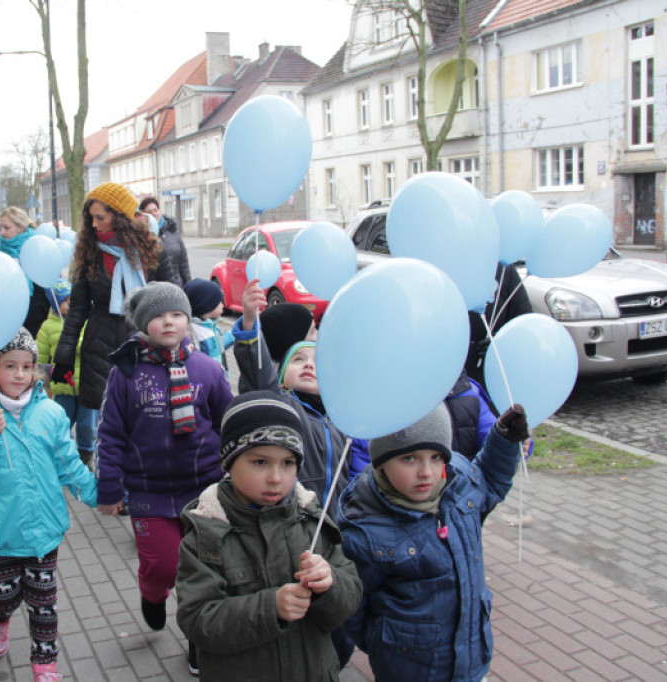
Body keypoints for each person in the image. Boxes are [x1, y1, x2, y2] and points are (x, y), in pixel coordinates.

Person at [0, 329, 96, 682]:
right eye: (10, 366)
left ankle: (45, 664)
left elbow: (68, 465)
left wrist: (99, 496)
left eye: (27, 367)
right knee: (6, 594)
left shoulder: (49, 412)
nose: (20, 375)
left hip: (44, 530)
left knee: (43, 601)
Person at [176, 391, 363, 679]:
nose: (276, 477)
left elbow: (348, 600)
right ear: (229, 462)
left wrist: (330, 584)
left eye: (288, 463)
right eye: (260, 462)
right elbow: (197, 619)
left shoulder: (312, 520)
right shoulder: (208, 531)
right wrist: (270, 607)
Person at [337, 403, 529, 682]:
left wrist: (504, 440)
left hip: (471, 662)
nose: (427, 472)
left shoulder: (458, 482)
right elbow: (352, 603)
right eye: (410, 459)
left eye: (436, 456)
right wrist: (379, 640)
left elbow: (488, 482)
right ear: (381, 461)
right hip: (408, 669)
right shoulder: (365, 529)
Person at [95, 283, 231, 647]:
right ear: (142, 324)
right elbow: (110, 435)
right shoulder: (125, 373)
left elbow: (228, 424)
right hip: (148, 492)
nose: (168, 322)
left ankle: (199, 642)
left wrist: (235, 475)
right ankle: (152, 592)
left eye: (176, 314)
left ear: (187, 319)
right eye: (157, 316)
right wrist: (109, 489)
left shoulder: (208, 368)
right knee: (164, 566)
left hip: (205, 490)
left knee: (204, 571)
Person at [232, 280, 369, 519]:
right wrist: (250, 323)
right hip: (293, 523)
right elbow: (258, 374)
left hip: (335, 524)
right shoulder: (284, 407)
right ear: (282, 378)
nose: (308, 364)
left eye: (318, 361)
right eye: (298, 359)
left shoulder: (342, 417)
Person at [50, 182, 176, 413]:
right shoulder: (88, 252)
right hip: (101, 347)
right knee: (109, 423)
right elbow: (78, 308)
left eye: (100, 217)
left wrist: (178, 341)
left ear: (120, 217)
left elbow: (174, 297)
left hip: (149, 342)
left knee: (149, 415)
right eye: (91, 218)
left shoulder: (153, 249)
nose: (94, 224)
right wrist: (64, 354)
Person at [36, 279, 97, 467]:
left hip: (87, 385)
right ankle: (62, 455)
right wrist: (40, 380)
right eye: (65, 300)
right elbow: (41, 357)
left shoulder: (88, 321)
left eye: (73, 299)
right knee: (62, 423)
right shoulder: (47, 327)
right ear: (55, 304)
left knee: (87, 426)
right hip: (63, 386)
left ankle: (85, 456)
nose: (71, 304)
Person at [466, 262, 532, 388]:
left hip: (489, 371)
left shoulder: (502, 270)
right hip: (446, 374)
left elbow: (523, 321)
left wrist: (501, 341)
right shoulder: (438, 266)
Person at [0, 206, 51, 337]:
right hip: (8, 310)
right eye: (1, 227)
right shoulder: (1, 249)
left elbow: (45, 281)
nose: (2, 232)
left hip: (34, 311)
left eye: (7, 227)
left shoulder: (36, 245)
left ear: (21, 227)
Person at [182, 278, 234, 374]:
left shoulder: (211, 325)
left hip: (221, 378)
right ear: (206, 305)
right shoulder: (194, 333)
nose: (223, 305)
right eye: (219, 302)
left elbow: (218, 345)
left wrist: (233, 334)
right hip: (209, 381)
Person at [140, 196, 190, 286]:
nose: (153, 214)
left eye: (155, 210)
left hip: (179, 287)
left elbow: (183, 264)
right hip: (158, 289)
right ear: (144, 216)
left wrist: (188, 284)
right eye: (149, 212)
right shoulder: (142, 237)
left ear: (159, 211)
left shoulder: (173, 231)